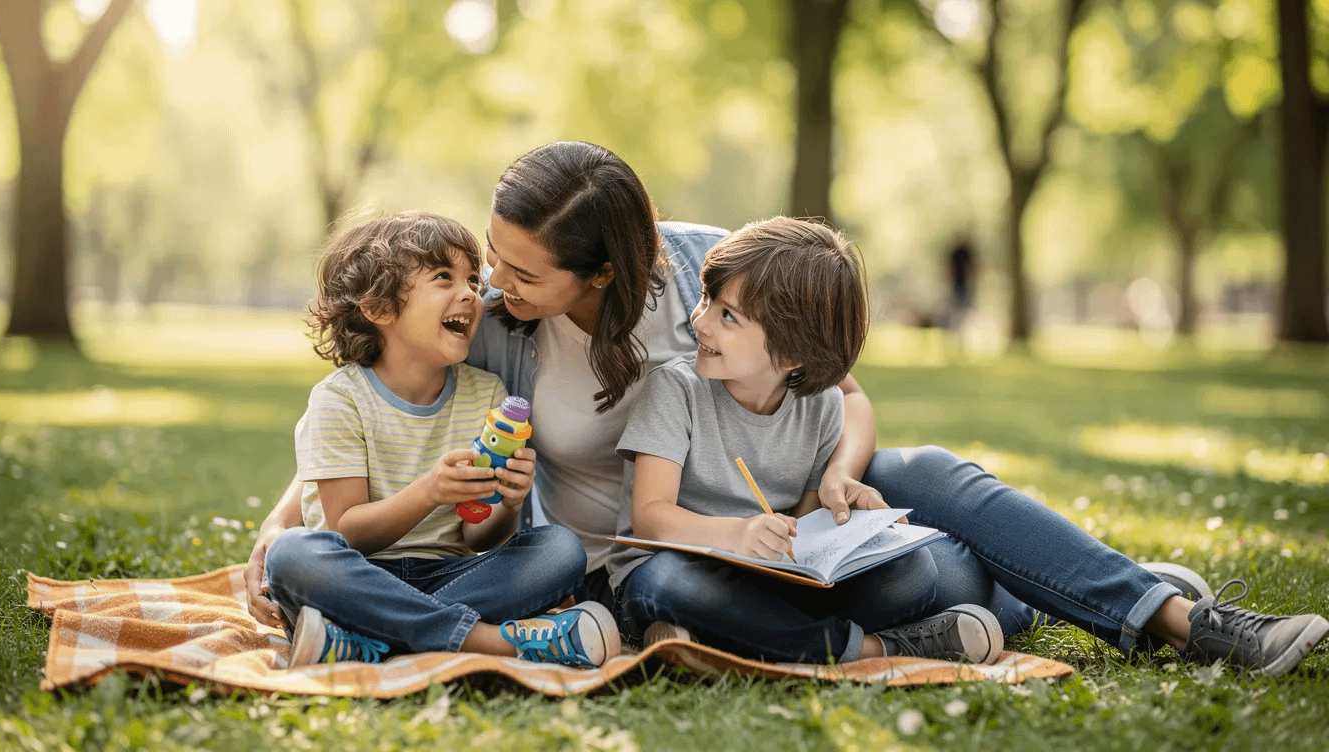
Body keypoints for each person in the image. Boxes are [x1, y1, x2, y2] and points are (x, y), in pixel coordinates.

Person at [247, 141, 1326, 676]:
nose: (494, 281)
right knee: (952, 576)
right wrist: (281, 525)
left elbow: (842, 391)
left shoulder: (713, 271)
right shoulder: (496, 322)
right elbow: (365, 404)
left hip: (801, 519)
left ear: (601, 268)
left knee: (928, 469)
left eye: (522, 267)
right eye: (494, 259)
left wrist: (832, 477)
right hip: (663, 550)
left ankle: (1179, 617)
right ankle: (988, 608)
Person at [609, 216, 1003, 664]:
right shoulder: (675, 390)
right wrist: (737, 534)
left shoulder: (821, 407)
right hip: (669, 569)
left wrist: (848, 527)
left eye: (727, 316)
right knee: (671, 586)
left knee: (912, 575)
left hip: (768, 586)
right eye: (705, 298)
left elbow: (805, 525)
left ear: (792, 353)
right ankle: (872, 649)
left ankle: (717, 638)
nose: (700, 321)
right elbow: (650, 519)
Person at [265, 211, 620, 669]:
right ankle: (491, 642)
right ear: (379, 308)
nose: (472, 294)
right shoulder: (339, 400)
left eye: (473, 279)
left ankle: (362, 639)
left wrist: (507, 504)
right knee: (295, 554)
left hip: (450, 577)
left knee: (559, 550)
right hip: (359, 576)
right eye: (443, 277)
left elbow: (477, 539)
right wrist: (428, 492)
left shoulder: (486, 394)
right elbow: (346, 533)